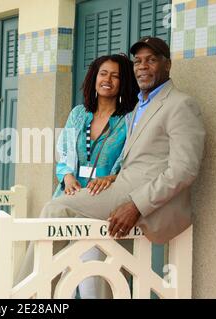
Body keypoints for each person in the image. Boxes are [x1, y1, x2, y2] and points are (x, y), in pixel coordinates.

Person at [17, 37, 206, 298]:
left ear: (168, 65)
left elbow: (184, 169)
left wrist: (135, 204)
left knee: (58, 211)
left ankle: (24, 296)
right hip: (106, 191)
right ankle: (31, 294)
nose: (142, 66)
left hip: (131, 195)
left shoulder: (178, 105)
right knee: (90, 263)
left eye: (151, 60)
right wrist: (71, 176)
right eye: (138, 61)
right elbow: (72, 153)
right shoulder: (141, 105)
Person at [51, 54, 139, 298]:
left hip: (103, 203)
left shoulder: (130, 119)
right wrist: (67, 177)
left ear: (125, 82)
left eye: (116, 75)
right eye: (103, 73)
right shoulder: (79, 113)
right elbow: (64, 149)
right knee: (59, 276)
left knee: (92, 280)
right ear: (94, 77)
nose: (108, 80)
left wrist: (112, 178)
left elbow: (131, 159)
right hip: (70, 195)